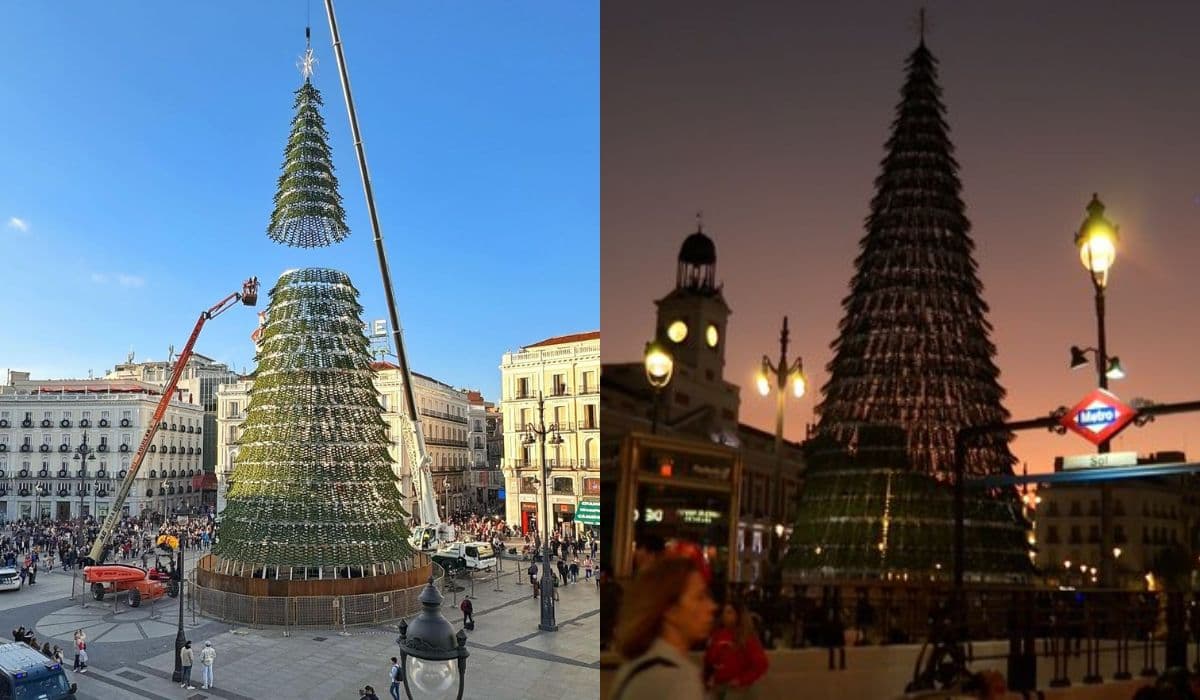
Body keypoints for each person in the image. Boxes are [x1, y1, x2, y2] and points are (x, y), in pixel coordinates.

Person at [610, 556, 716, 700]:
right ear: (670, 610)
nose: (712, 606)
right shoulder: (678, 679)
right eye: (700, 597)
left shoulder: (633, 667)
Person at [704, 601, 769, 699]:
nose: (724, 615)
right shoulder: (717, 635)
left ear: (738, 615)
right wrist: (709, 677)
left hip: (736, 688)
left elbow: (761, 664)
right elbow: (710, 660)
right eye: (724, 612)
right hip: (717, 685)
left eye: (729, 612)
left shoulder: (747, 638)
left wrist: (741, 680)